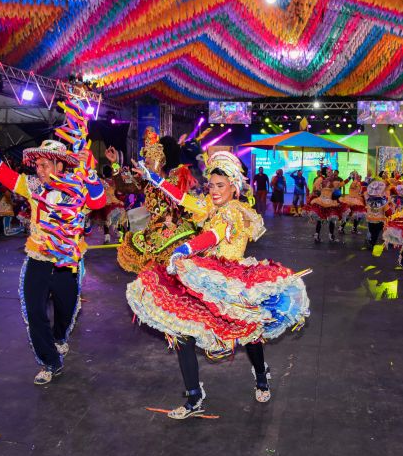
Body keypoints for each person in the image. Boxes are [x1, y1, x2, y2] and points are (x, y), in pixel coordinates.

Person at [126, 151, 310, 419]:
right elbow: (182, 198)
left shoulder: (235, 212)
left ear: (234, 187)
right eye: (211, 185)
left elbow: (213, 236)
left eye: (220, 185)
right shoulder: (210, 207)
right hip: (203, 277)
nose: (213, 190)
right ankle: (193, 397)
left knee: (250, 334)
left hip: (233, 281)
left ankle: (261, 374)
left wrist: (184, 249)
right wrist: (153, 177)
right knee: (182, 331)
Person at [0, 102, 107, 385]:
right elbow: (4, 174)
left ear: (60, 164)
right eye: (37, 164)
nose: (39, 169)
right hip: (38, 258)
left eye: (45, 164)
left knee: (66, 310)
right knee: (35, 312)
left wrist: (90, 175)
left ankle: (60, 337)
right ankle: (49, 361)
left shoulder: (77, 190)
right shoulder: (33, 186)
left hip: (67, 264)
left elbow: (99, 201)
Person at [108, 131, 197, 274]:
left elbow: (181, 199)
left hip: (174, 234)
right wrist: (115, 164)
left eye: (148, 162)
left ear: (161, 162)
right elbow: (124, 186)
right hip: (152, 234)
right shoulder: (146, 181)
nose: (145, 166)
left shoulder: (177, 177)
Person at [302, 166, 344, 242]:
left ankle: (320, 235)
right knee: (327, 220)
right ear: (326, 174)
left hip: (323, 202)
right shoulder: (330, 181)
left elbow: (316, 190)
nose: (331, 173)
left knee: (325, 219)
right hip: (327, 202)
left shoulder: (322, 180)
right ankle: (325, 236)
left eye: (331, 172)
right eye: (329, 172)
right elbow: (341, 184)